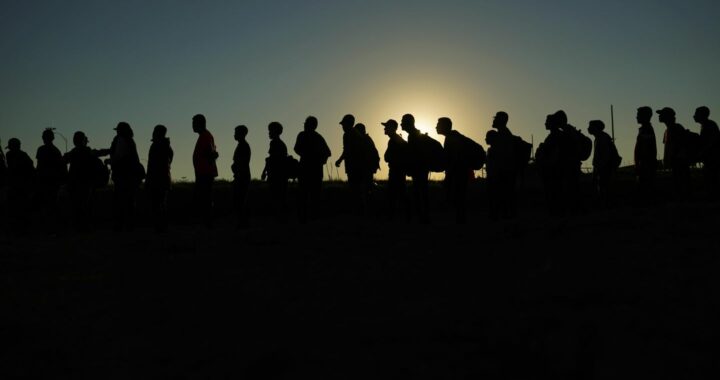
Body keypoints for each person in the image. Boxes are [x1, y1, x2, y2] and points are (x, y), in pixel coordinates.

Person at [63, 132, 110, 231]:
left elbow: (63, 161)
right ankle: (84, 226)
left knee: (76, 205)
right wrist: (111, 150)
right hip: (85, 183)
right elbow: (100, 153)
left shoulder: (73, 153)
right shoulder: (87, 152)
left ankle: (77, 226)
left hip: (74, 183)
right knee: (85, 205)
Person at [435, 117, 473, 223]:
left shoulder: (452, 138)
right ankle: (459, 221)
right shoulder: (452, 137)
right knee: (458, 198)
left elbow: (455, 158)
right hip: (458, 172)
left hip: (458, 173)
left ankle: (459, 222)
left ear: (445, 126)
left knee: (458, 198)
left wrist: (449, 173)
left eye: (438, 124)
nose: (436, 127)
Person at [294, 116, 331, 223]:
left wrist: (308, 155)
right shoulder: (318, 137)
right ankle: (310, 218)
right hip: (313, 170)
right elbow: (327, 153)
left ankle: (307, 218)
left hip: (309, 170)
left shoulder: (304, 135)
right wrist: (319, 159)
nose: (304, 124)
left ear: (311, 125)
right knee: (311, 195)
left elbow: (297, 149)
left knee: (307, 195)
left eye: (306, 123)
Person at [109, 122, 144, 231]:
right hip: (131, 176)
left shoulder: (121, 140)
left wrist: (110, 160)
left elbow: (119, 156)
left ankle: (120, 225)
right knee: (130, 201)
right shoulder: (130, 140)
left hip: (123, 175)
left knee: (120, 201)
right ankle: (130, 225)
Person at [35, 128, 67, 232]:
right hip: (52, 181)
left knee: (47, 205)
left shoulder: (42, 150)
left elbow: (39, 166)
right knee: (51, 205)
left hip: (45, 181)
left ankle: (49, 228)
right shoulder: (55, 150)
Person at [400, 113, 430, 223]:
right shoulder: (415, 135)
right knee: (421, 193)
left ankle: (422, 219)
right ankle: (423, 218)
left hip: (419, 170)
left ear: (408, 123)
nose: (401, 123)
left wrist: (410, 168)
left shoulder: (413, 136)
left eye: (403, 121)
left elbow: (415, 155)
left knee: (418, 194)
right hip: (421, 169)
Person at [489, 111, 519, 219]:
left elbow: (502, 156)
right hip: (504, 172)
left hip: (503, 173)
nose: (493, 120)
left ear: (501, 120)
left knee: (504, 199)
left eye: (495, 118)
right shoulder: (504, 134)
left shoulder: (503, 136)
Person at [192, 114, 219, 228]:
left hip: (205, 172)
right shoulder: (205, 136)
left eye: (194, 123)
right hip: (203, 172)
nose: (192, 126)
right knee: (204, 198)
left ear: (200, 124)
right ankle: (206, 221)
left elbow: (211, 153)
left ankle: (207, 222)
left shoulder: (206, 136)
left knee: (205, 198)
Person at [535, 114, 564, 216]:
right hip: (551, 171)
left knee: (554, 197)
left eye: (547, 121)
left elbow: (555, 155)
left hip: (554, 172)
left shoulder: (556, 136)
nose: (545, 123)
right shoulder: (553, 136)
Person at [146, 125, 173, 232]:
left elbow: (154, 166)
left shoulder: (157, 146)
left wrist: (149, 179)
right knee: (161, 204)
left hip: (157, 180)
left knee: (157, 205)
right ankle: (162, 226)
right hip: (164, 180)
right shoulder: (167, 146)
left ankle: (160, 227)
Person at [658, 107, 690, 200]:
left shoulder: (677, 128)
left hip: (679, 163)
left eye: (662, 114)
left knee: (682, 185)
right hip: (674, 163)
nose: (659, 116)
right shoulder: (667, 131)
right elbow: (667, 147)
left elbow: (680, 145)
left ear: (667, 116)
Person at [5, 138, 35, 233]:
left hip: (20, 186)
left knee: (19, 208)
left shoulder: (15, 155)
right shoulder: (19, 155)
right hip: (18, 185)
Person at [335, 114, 362, 213]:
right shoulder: (355, 133)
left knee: (355, 188)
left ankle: (357, 211)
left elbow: (347, 150)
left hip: (354, 166)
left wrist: (339, 160)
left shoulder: (349, 134)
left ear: (348, 124)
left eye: (343, 124)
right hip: (356, 166)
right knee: (357, 189)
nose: (342, 127)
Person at [382, 119, 409, 220]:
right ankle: (403, 215)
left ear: (392, 128)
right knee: (398, 193)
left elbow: (388, 157)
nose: (385, 128)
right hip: (398, 170)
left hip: (396, 170)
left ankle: (397, 216)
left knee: (394, 193)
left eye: (387, 126)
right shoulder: (396, 139)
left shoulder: (394, 140)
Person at [262, 121, 289, 221]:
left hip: (276, 175)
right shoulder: (281, 144)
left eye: (270, 131)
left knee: (276, 197)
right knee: (281, 198)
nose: (269, 133)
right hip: (280, 175)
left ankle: (279, 219)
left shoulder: (275, 143)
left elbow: (271, 159)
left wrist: (265, 171)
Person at [587, 120, 618, 208]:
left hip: (604, 168)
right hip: (602, 167)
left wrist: (598, 169)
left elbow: (604, 156)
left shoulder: (602, 138)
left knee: (604, 187)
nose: (588, 128)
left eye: (590, 126)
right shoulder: (600, 138)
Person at [693, 106, 720, 198]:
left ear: (702, 115)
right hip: (710, 159)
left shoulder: (709, 125)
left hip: (713, 160)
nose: (694, 116)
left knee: (712, 180)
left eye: (696, 114)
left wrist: (701, 152)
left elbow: (712, 142)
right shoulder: (707, 125)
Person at [354, 123, 380, 215]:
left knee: (366, 189)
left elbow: (371, 155)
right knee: (366, 189)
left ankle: (369, 210)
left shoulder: (365, 140)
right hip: (366, 168)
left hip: (366, 168)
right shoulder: (365, 139)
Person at [634, 106, 658, 205]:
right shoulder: (645, 129)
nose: (636, 117)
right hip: (644, 164)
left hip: (646, 164)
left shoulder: (646, 129)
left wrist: (641, 164)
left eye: (638, 115)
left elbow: (646, 149)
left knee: (645, 188)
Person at [232, 125, 251, 228]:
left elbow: (242, 162)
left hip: (242, 176)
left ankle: (243, 223)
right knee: (239, 200)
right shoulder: (242, 145)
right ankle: (242, 222)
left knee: (240, 200)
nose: (234, 135)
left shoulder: (243, 146)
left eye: (236, 132)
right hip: (241, 175)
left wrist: (236, 170)